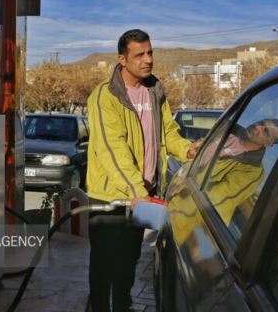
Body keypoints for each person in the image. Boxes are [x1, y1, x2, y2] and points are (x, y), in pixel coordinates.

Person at [85, 29, 199, 312]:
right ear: (122, 59)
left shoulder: (154, 91)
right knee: (103, 267)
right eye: (140, 54)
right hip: (110, 198)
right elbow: (113, 149)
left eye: (150, 52)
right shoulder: (105, 95)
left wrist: (187, 150)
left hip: (142, 196)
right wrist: (136, 191)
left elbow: (168, 133)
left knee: (128, 263)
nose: (148, 59)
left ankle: (123, 307)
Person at [199, 119, 278, 232]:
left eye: (265, 131)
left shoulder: (251, 171)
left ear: (268, 144)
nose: (257, 127)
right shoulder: (228, 128)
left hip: (199, 223)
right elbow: (195, 155)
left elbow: (217, 201)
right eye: (261, 123)